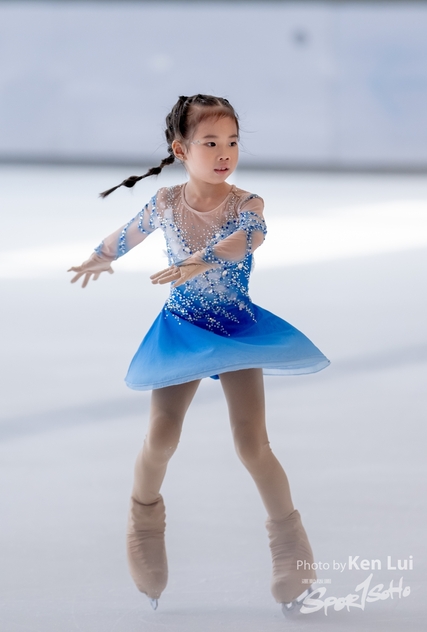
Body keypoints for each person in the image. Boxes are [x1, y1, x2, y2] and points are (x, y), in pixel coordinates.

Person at [68, 94, 330, 616]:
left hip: (236, 331)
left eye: (232, 141)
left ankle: (289, 545)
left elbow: (249, 239)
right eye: (210, 142)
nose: (224, 152)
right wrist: (100, 256)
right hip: (183, 329)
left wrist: (200, 259)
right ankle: (143, 521)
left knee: (252, 444)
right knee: (162, 436)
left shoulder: (247, 203)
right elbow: (130, 232)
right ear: (181, 149)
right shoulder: (166, 202)